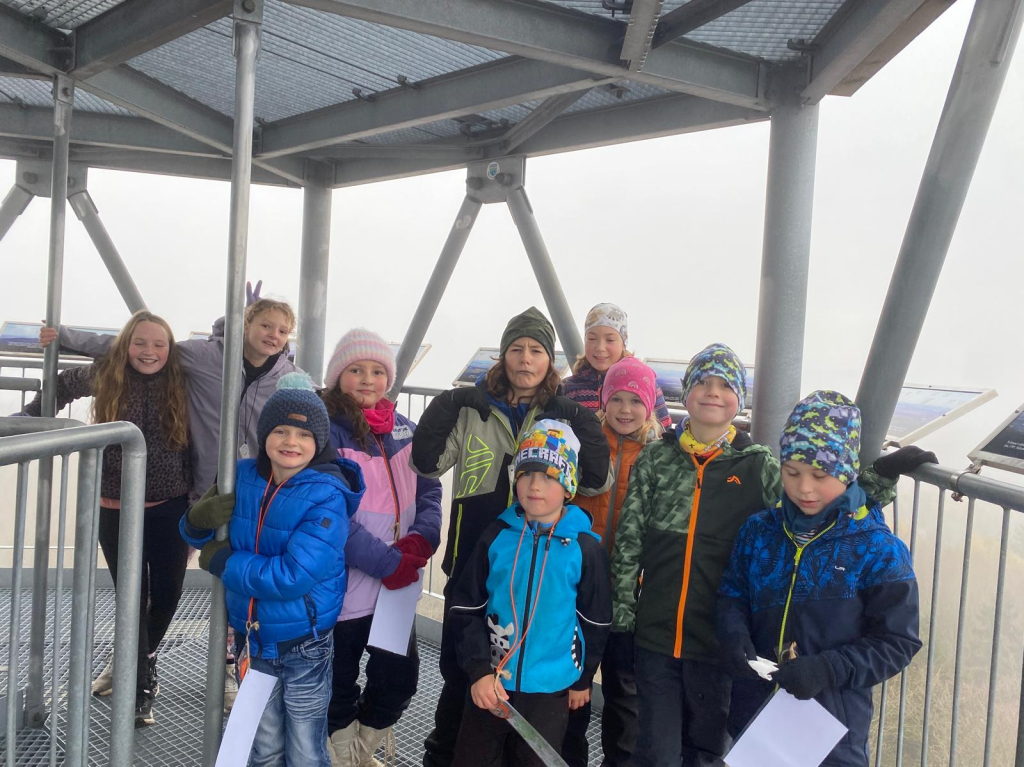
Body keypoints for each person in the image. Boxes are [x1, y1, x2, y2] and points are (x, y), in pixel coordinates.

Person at [42, 292, 300, 708]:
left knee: (228, 583)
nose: (273, 335)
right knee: (151, 590)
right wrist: (64, 337)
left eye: (282, 330)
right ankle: (134, 666)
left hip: (249, 493)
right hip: (195, 490)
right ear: (245, 324)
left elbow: (311, 410)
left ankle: (224, 667)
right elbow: (136, 346)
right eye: (265, 325)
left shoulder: (288, 375)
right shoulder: (203, 356)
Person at [411, 306, 610, 767]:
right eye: (516, 349)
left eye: (536, 350)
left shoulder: (560, 417)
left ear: (549, 361)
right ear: (502, 356)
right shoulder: (473, 410)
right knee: (461, 678)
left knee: (535, 693)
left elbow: (596, 479)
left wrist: (579, 417)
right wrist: (449, 403)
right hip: (475, 558)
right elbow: (426, 463)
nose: (525, 358)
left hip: (539, 564)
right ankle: (442, 757)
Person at [718, 391, 925, 766]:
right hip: (756, 716)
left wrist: (829, 669)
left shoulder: (877, 549)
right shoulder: (759, 531)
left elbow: (897, 641)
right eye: (792, 472)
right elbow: (733, 594)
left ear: (847, 473)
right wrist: (734, 634)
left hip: (831, 730)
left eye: (820, 475)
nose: (804, 488)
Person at [180, 373, 365, 767]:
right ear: (264, 435)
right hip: (252, 638)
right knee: (263, 748)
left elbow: (292, 575)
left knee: (304, 749)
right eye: (280, 430)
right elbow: (204, 536)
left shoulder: (327, 496)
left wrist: (224, 562)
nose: (290, 442)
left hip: (304, 642)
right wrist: (196, 521)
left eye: (304, 434)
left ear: (319, 442)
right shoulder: (241, 476)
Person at [26, 310, 193, 727]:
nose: (149, 352)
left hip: (170, 504)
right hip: (115, 504)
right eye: (140, 343)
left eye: (159, 344)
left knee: (169, 594)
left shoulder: (182, 378)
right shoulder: (107, 374)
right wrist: (29, 419)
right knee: (132, 596)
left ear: (170, 349)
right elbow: (63, 384)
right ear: (126, 345)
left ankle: (138, 658)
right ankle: (139, 688)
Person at [447, 420, 612, 767]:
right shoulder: (496, 536)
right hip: (491, 682)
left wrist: (583, 679)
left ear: (568, 486)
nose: (535, 486)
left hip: (550, 690)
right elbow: (467, 606)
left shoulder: (584, 548)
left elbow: (595, 620)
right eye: (526, 474)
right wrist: (478, 670)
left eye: (550, 477)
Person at [319, 329, 443, 766]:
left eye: (377, 371)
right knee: (337, 681)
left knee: (398, 679)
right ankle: (341, 754)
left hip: (395, 587)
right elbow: (329, 515)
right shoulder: (325, 431)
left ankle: (358, 751)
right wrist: (388, 561)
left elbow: (430, 490)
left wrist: (423, 537)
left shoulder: (405, 430)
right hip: (345, 587)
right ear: (338, 376)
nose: (367, 380)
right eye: (356, 370)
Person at [563, 357, 663, 767]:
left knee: (625, 693)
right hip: (578, 587)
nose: (625, 409)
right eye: (617, 399)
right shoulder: (585, 443)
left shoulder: (658, 455)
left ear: (650, 406)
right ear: (603, 401)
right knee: (572, 685)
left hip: (629, 593)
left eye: (635, 401)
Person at [562, 303, 671, 429]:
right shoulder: (568, 388)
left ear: (623, 343)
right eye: (591, 338)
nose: (600, 348)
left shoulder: (646, 383)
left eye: (610, 340)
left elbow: (665, 431)